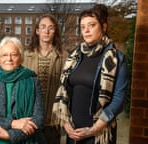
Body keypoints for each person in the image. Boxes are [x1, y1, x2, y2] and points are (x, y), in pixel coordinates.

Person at [51, 4, 128, 144]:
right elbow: (64, 89)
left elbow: (119, 100)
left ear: (103, 27)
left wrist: (93, 130)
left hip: (98, 134)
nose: (86, 30)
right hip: (73, 133)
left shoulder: (116, 59)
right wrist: (66, 124)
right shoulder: (74, 56)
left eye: (91, 25)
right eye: (82, 27)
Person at [0, 36, 46, 144]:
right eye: (4, 55)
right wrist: (13, 123)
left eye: (14, 54)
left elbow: (39, 119)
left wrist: (10, 136)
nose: (9, 59)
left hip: (26, 139)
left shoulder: (33, 82)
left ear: (21, 57)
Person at [22, 14, 68, 144]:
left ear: (55, 32)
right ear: (37, 31)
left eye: (51, 28)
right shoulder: (25, 56)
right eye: (43, 27)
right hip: (30, 119)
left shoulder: (64, 57)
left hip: (52, 121)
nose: (46, 31)